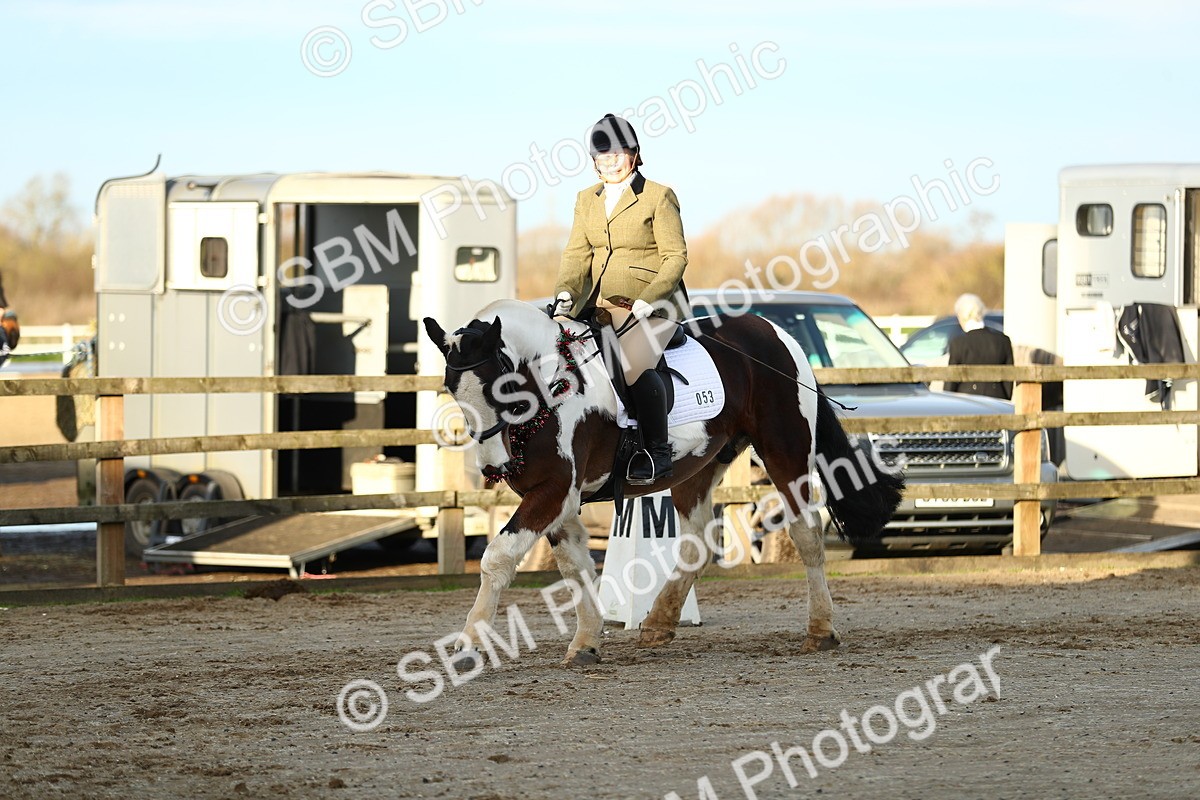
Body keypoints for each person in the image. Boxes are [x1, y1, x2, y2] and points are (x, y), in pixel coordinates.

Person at [552, 113, 688, 484]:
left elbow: (675, 257)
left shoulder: (658, 196)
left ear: (634, 154)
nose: (610, 162)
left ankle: (657, 452)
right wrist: (565, 292)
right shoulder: (586, 199)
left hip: (653, 306)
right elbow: (577, 254)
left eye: (617, 154)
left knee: (633, 367)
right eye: (603, 156)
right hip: (597, 306)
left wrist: (649, 298)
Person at [945, 293, 1013, 400]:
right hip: (997, 399)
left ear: (962, 316)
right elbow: (1009, 379)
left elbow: (951, 382)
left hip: (966, 400)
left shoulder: (958, 343)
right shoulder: (1003, 341)